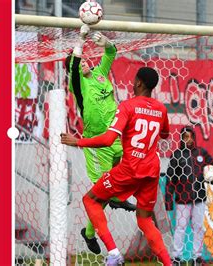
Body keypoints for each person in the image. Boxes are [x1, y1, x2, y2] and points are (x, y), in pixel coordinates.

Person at [61, 67, 172, 266]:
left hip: (130, 169)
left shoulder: (128, 106)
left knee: (90, 200)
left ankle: (113, 253)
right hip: (151, 172)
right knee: (145, 220)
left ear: (138, 83)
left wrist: (77, 141)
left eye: (134, 80)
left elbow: (108, 139)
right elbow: (164, 135)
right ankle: (168, 264)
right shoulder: (161, 109)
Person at [64, 25, 135, 255]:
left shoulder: (100, 74)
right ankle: (89, 233)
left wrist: (105, 42)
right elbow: (73, 66)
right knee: (100, 192)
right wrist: (81, 39)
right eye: (80, 61)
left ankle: (117, 198)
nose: (84, 62)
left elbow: (111, 53)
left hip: (115, 137)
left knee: (124, 174)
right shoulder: (78, 84)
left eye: (85, 60)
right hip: (96, 144)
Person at [165, 126, 213, 265]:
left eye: (191, 136)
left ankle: (197, 257)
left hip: (199, 197)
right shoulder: (177, 155)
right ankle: (176, 257)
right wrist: (169, 200)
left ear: (194, 137)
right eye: (185, 137)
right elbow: (170, 178)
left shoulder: (201, 153)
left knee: (198, 227)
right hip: (182, 199)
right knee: (180, 227)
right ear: (181, 139)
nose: (189, 139)